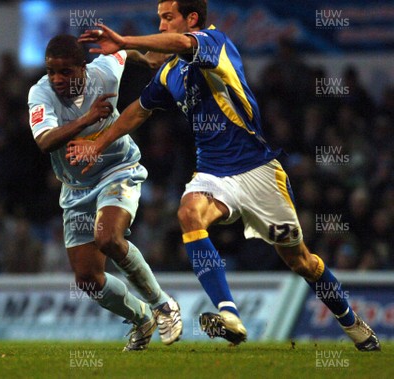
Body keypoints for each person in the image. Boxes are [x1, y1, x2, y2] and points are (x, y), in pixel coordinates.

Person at [69, 0, 380, 351]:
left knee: (301, 261)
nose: (161, 26)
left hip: (259, 172)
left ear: (192, 19)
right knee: (189, 213)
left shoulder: (215, 43)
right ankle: (229, 313)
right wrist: (97, 143)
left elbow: (183, 43)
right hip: (213, 174)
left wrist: (126, 42)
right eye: (158, 19)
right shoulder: (170, 73)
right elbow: (137, 112)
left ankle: (352, 323)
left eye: (167, 18)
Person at [27, 34, 182, 351]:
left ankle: (163, 305)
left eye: (65, 72)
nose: (56, 79)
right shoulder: (40, 94)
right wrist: (87, 119)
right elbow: (44, 142)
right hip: (76, 187)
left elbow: (127, 53)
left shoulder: (104, 72)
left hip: (117, 170)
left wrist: (149, 56)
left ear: (82, 67)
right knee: (87, 278)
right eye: (51, 71)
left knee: (108, 238)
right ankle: (141, 318)